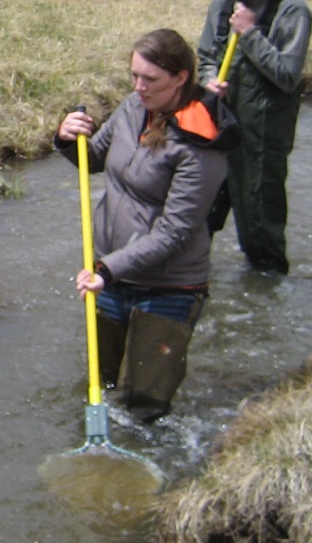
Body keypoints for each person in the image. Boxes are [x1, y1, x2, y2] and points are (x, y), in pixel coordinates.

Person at [55, 29, 237, 421]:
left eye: (150, 79)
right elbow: (98, 157)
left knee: (143, 408)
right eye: (135, 75)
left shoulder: (200, 145)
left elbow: (174, 231)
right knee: (98, 388)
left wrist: (107, 269)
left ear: (181, 78)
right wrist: (69, 138)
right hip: (111, 276)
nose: (139, 86)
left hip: (168, 287)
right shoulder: (132, 108)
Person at [196, 0, 312, 275]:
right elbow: (204, 58)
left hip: (261, 145)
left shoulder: (292, 10)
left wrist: (249, 34)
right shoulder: (222, 3)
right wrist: (209, 80)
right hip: (216, 136)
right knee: (194, 225)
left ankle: (265, 307)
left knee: (261, 240)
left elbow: (287, 75)